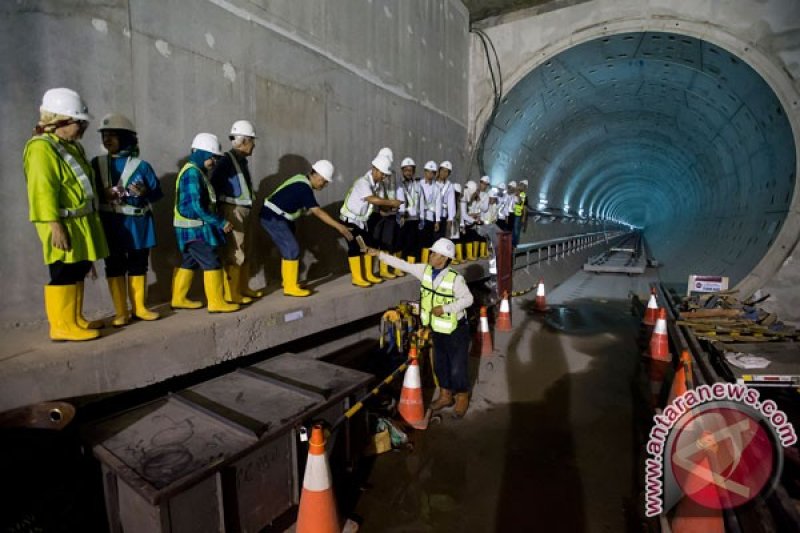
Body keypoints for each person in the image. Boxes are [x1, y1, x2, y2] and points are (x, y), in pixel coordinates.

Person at [24, 88, 109, 341]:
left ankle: (75, 319)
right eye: (78, 123)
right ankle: (61, 325)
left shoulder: (72, 147)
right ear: (60, 121)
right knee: (63, 270)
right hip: (62, 221)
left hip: (82, 221)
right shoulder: (41, 148)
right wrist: (54, 225)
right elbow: (42, 189)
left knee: (78, 267)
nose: (82, 128)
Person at [369, 238, 474, 417]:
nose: (431, 255)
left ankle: (462, 396)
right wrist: (379, 255)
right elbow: (402, 264)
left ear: (444, 258)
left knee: (457, 366)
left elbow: (468, 300)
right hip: (437, 328)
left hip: (456, 329)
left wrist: (445, 308)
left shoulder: (455, 279)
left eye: (434, 254)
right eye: (432, 252)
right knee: (440, 364)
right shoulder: (424, 270)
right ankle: (445, 395)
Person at [92, 113, 163, 326]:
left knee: (138, 265)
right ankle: (121, 312)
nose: (107, 139)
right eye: (105, 134)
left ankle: (139, 308)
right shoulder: (96, 164)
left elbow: (157, 194)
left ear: (126, 138)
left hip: (138, 224)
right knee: (113, 265)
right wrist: (100, 193)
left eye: (113, 135)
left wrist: (143, 192)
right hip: (110, 223)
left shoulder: (142, 166)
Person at [260, 159, 353, 296]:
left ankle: (288, 282)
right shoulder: (304, 188)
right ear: (316, 175)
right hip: (273, 218)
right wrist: (340, 227)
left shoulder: (301, 180)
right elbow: (317, 212)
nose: (324, 185)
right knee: (292, 248)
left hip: (277, 217)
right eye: (324, 181)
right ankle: (290, 287)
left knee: (289, 249)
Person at [171, 133, 239, 313]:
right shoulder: (193, 173)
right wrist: (220, 222)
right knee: (212, 261)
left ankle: (178, 298)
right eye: (211, 158)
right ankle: (216, 302)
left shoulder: (195, 171)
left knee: (189, 261)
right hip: (194, 229)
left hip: (189, 229)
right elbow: (196, 207)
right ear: (201, 154)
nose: (213, 162)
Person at [211, 120, 264, 305]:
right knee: (235, 251)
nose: (254, 144)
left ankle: (243, 287)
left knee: (245, 249)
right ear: (243, 141)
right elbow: (214, 185)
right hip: (232, 210)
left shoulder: (240, 161)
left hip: (243, 210)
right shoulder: (226, 161)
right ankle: (231, 293)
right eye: (251, 140)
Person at [339, 154, 402, 287]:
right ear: (375, 170)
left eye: (385, 175)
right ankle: (357, 278)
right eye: (383, 174)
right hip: (349, 220)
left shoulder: (376, 185)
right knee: (356, 247)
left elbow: (378, 201)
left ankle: (368, 274)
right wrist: (391, 202)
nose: (384, 177)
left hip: (360, 221)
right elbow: (372, 199)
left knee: (368, 244)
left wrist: (387, 208)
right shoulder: (363, 182)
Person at [396, 157, 421, 266]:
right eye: (406, 170)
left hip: (415, 218)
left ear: (414, 171)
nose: (408, 173)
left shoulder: (418, 184)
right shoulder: (399, 184)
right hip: (403, 218)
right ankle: (401, 265)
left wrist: (422, 217)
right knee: (402, 243)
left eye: (410, 170)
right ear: (402, 171)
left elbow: (421, 201)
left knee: (413, 243)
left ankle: (410, 266)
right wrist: (401, 214)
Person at [418, 160, 439, 263]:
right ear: (424, 172)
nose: (430, 174)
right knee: (418, 240)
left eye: (432, 172)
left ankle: (425, 262)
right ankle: (417, 261)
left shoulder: (436, 187)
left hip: (430, 217)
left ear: (435, 174)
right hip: (418, 217)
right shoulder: (418, 184)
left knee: (428, 241)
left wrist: (437, 221)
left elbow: (438, 204)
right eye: (428, 171)